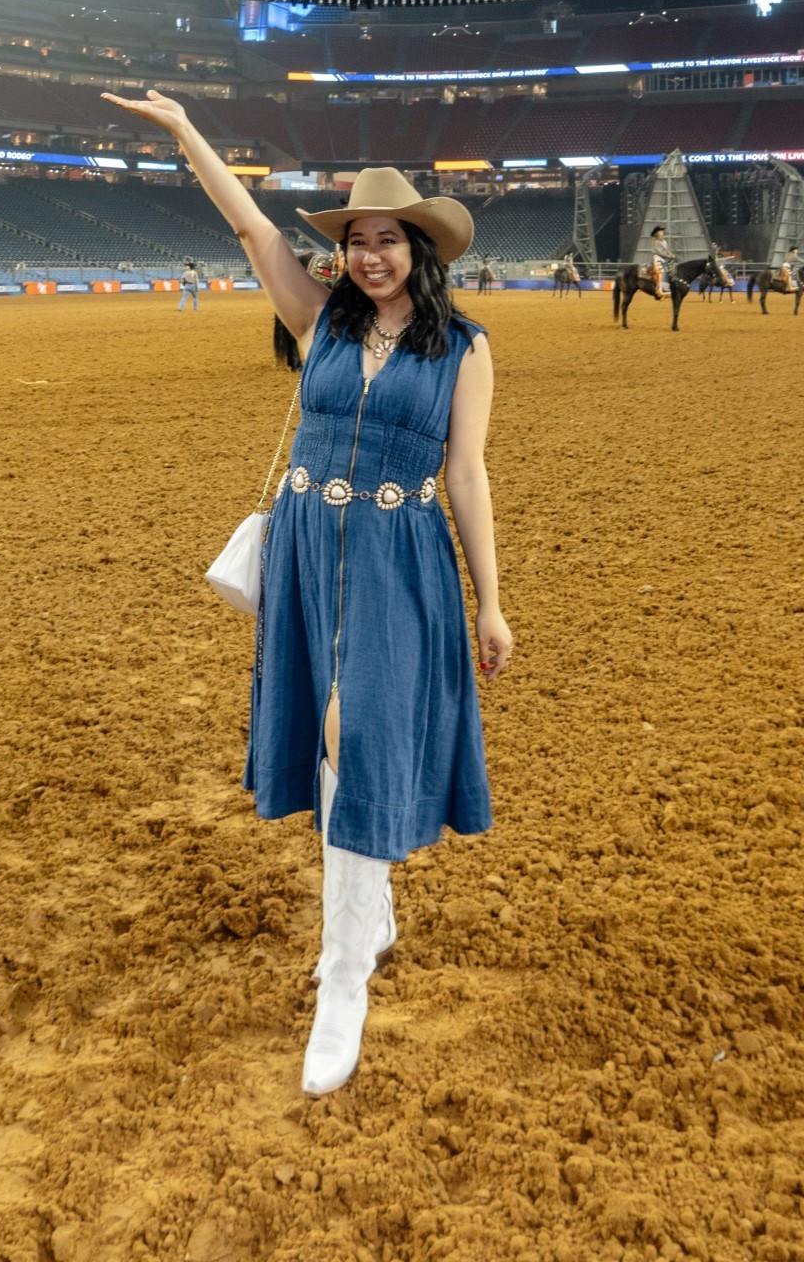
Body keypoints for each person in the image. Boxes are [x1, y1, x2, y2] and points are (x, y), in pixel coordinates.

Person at [101, 89, 513, 1099]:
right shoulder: (316, 317)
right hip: (303, 549)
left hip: (400, 559)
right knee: (333, 742)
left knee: (359, 732)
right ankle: (363, 920)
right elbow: (246, 220)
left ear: (421, 246)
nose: (372, 255)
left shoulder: (466, 348)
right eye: (358, 240)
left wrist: (490, 601)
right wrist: (186, 130)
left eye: (390, 239)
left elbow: (467, 474)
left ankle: (342, 974)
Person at [649, 226, 674, 298]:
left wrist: (670, 254)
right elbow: (659, 252)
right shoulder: (656, 242)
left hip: (664, 259)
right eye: (660, 231)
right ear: (657, 234)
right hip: (658, 258)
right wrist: (669, 256)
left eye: (662, 231)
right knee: (663, 271)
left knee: (670, 270)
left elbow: (667, 250)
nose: (662, 233)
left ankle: (668, 286)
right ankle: (663, 289)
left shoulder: (664, 241)